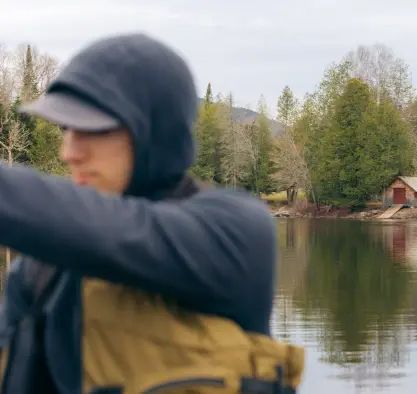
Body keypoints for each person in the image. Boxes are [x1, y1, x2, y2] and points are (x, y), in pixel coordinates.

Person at [0, 33, 304, 394]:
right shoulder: (38, 271)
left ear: (153, 135)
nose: (69, 152)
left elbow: (110, 228)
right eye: (66, 129)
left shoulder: (235, 235)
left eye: (91, 129)